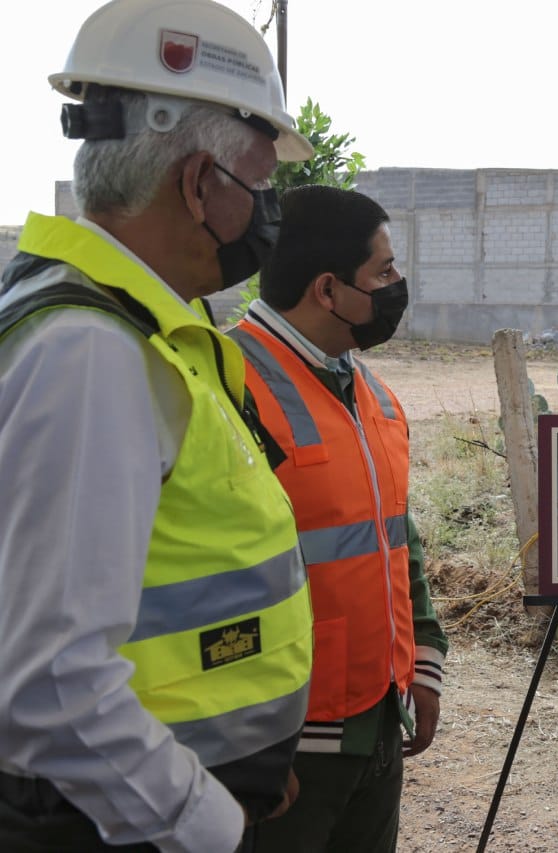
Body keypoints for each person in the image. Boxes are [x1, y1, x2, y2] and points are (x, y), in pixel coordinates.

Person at [0, 1, 317, 851]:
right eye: (258, 187)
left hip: (158, 793)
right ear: (198, 184)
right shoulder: (89, 353)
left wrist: (250, 758)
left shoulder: (142, 330)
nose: (266, 213)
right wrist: (208, 820)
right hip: (118, 826)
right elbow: (52, 687)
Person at [229, 185, 449, 853]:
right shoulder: (225, 384)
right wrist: (239, 742)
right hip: (285, 747)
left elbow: (392, 538)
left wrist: (425, 657)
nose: (398, 285)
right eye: (383, 272)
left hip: (377, 720)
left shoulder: (371, 393)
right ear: (327, 289)